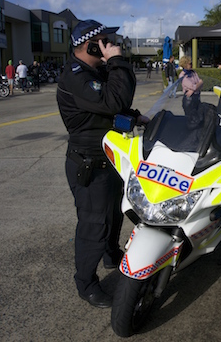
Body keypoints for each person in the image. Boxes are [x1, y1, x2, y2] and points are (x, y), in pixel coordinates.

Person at [57, 19, 145, 309]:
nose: (111, 44)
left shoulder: (95, 70)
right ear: (91, 44)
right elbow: (112, 102)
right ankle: (85, 282)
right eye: (106, 41)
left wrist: (137, 117)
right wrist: (117, 59)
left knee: (114, 215)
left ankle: (110, 254)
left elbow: (120, 102)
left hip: (110, 159)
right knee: (93, 224)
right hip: (89, 163)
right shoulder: (75, 76)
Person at [179, 55, 203, 123]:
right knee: (191, 120)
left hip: (196, 97)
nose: (191, 65)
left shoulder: (193, 72)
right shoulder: (183, 75)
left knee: (199, 117)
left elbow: (200, 83)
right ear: (185, 64)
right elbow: (194, 86)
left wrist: (194, 88)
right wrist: (196, 86)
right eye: (190, 63)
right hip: (189, 100)